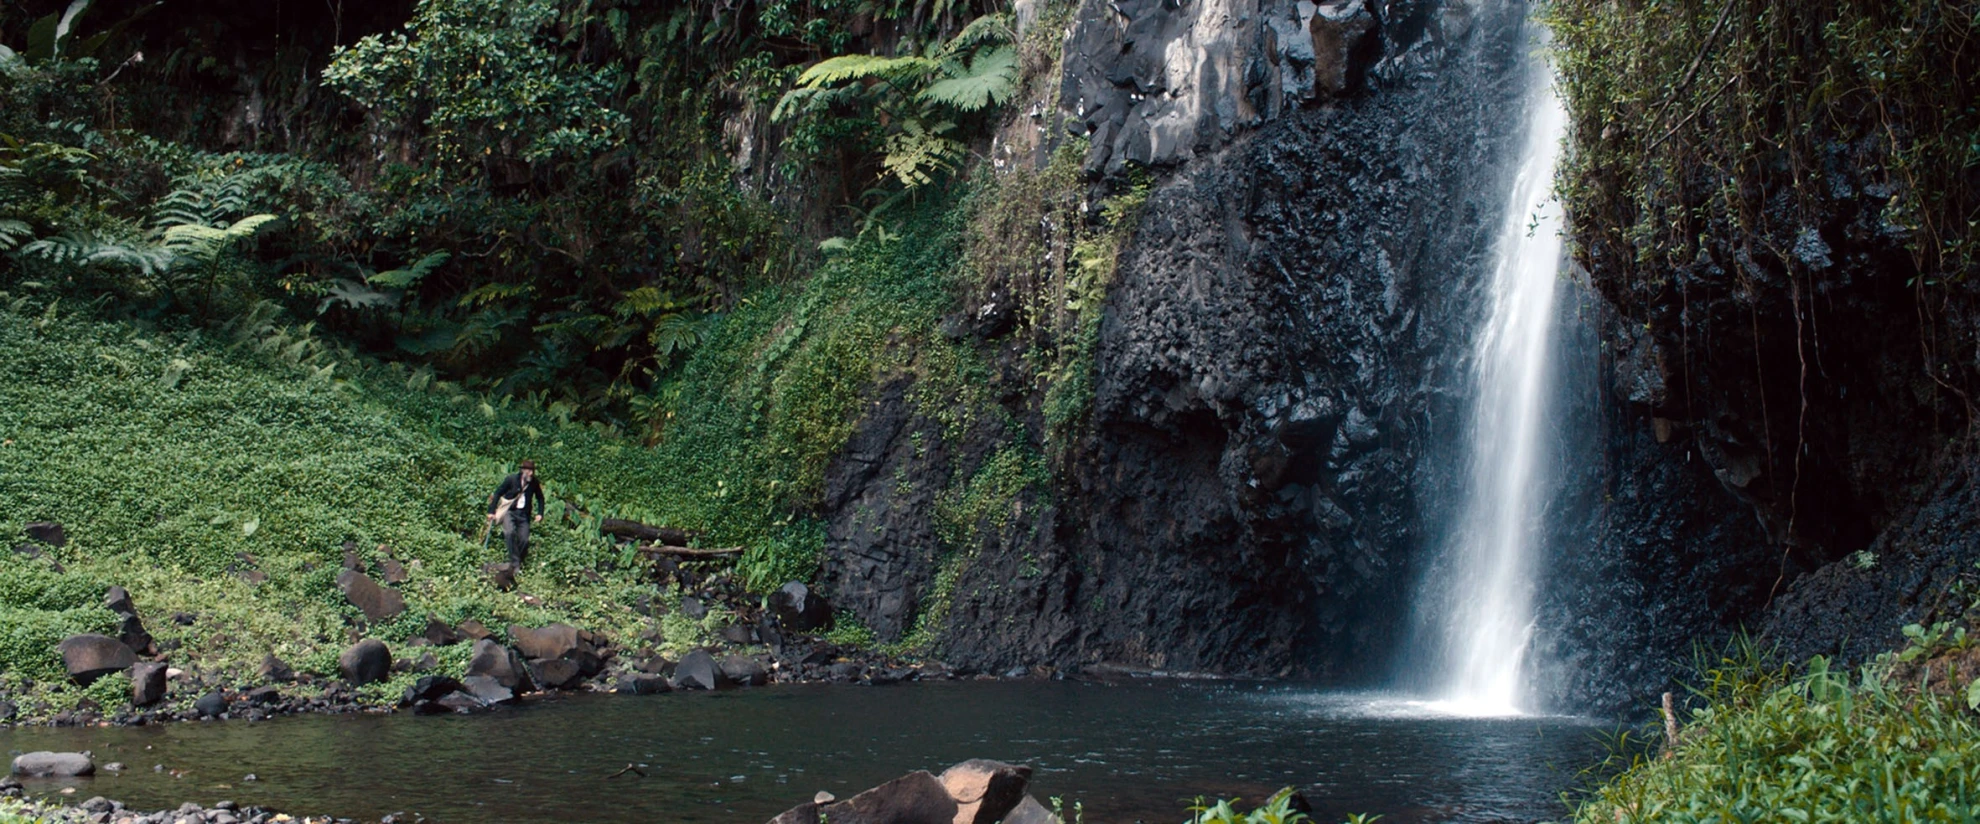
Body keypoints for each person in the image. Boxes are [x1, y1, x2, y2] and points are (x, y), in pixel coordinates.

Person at [487, 460, 545, 567]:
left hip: (524, 514)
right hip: (510, 511)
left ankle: (518, 560)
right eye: (528, 471)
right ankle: (515, 563)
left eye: (532, 471)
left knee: (524, 539)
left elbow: (540, 497)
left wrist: (540, 513)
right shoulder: (511, 479)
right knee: (509, 532)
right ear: (523, 470)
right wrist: (491, 511)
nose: (531, 474)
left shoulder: (534, 483)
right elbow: (498, 493)